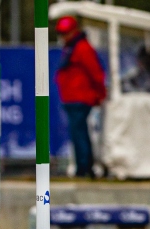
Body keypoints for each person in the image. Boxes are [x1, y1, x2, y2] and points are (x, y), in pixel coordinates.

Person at [53, 16, 107, 178]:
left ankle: (85, 168)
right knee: (78, 133)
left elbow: (96, 73)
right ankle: (82, 167)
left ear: (73, 31)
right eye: (61, 33)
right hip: (72, 98)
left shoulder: (82, 48)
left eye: (65, 33)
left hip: (80, 98)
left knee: (80, 134)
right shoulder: (71, 48)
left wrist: (100, 93)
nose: (63, 37)